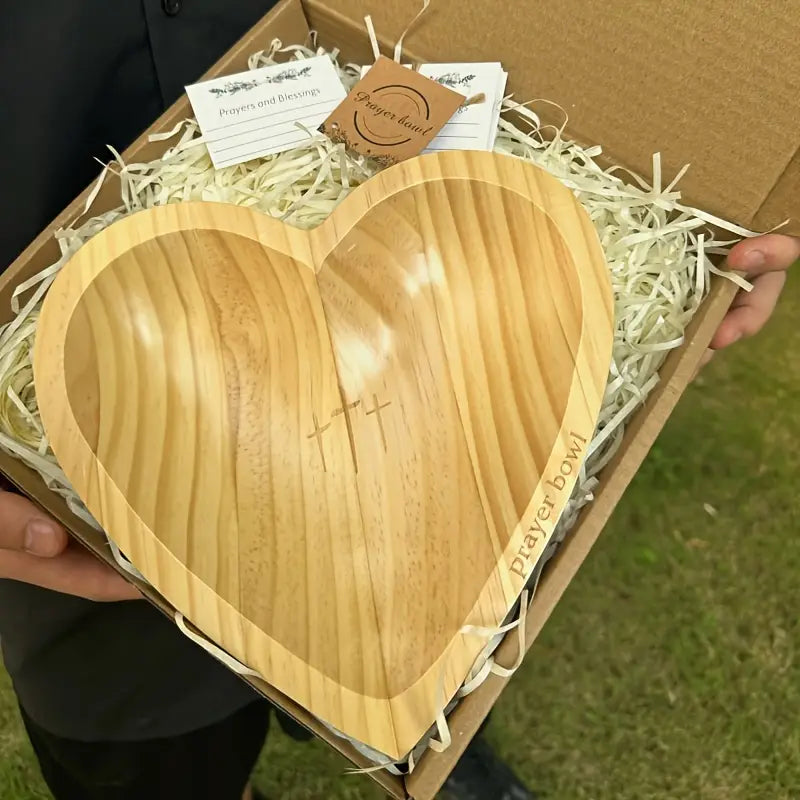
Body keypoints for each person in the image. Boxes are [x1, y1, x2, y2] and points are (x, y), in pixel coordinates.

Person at [0, 3, 545, 799]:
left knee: (438, 583)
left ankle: (435, 737)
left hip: (402, 226)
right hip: (75, 432)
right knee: (152, 739)